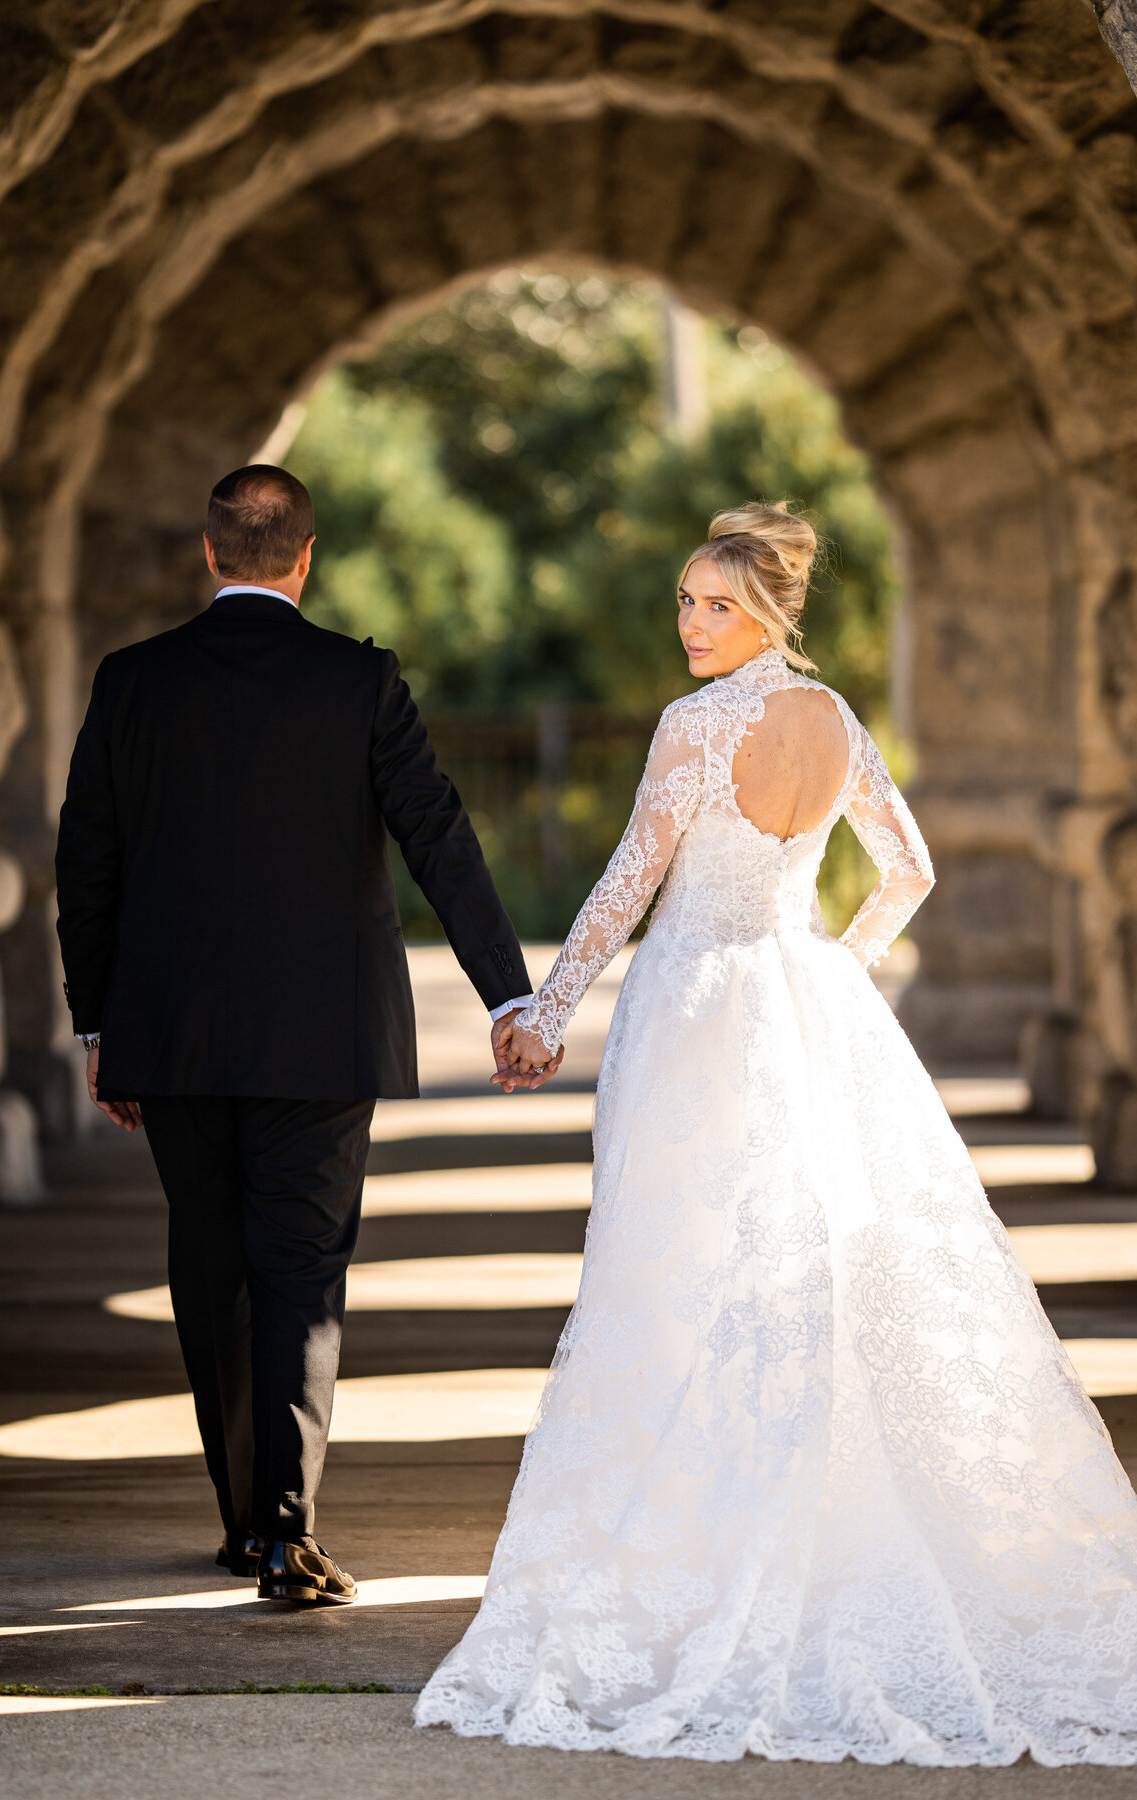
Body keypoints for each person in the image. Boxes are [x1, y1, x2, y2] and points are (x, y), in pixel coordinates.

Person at [417, 504, 1137, 1765]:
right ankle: (816, 1542)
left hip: (696, 1016)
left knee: (677, 1282)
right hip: (800, 1007)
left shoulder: (694, 730)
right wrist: (834, 975)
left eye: (715, 605)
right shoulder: (839, 720)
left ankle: (703, 1566)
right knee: (805, 1276)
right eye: (686, 601)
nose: (691, 624)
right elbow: (904, 870)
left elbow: (629, 886)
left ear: (767, 613)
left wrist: (544, 1013)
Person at [55, 465, 538, 1606]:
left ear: (212, 554)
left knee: (210, 1271)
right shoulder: (358, 680)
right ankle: (284, 1534)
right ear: (304, 557)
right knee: (301, 1275)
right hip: (322, 1040)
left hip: (170, 1039)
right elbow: (439, 837)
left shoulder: (133, 683)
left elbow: (88, 862)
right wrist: (508, 995)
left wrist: (98, 1022)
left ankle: (244, 1523)